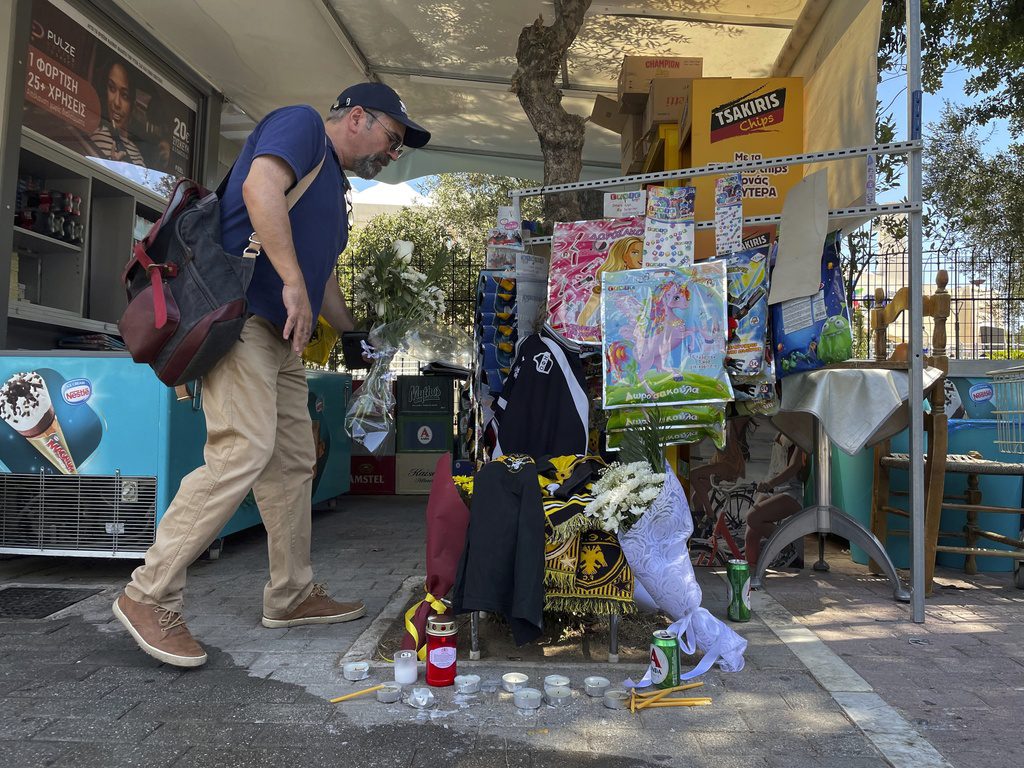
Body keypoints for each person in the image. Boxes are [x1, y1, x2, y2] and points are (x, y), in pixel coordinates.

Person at [112, 82, 430, 668]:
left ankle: (289, 594)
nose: (393, 153)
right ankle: (148, 594)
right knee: (243, 451)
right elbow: (261, 189)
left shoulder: (334, 186)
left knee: (290, 463)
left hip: (281, 337)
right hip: (242, 322)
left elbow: (320, 276)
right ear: (356, 117)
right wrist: (289, 283)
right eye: (392, 138)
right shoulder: (302, 124)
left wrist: (357, 331)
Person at [743, 431, 808, 568]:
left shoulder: (800, 431)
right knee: (750, 534)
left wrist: (770, 483)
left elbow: (794, 467)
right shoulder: (781, 428)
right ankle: (751, 574)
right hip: (773, 488)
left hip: (791, 490)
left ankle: (788, 550)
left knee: (753, 517)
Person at [688, 416, 751, 520]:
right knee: (696, 499)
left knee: (693, 474)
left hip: (728, 464)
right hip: (719, 462)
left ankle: (710, 513)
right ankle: (702, 533)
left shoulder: (731, 421)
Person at [89, 60, 146, 166]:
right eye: (112, 88)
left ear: (131, 105)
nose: (117, 102)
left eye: (125, 95)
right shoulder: (96, 137)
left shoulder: (137, 154)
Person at [576, 236, 643, 325]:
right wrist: (589, 336)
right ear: (623, 255)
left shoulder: (647, 282)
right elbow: (583, 318)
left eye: (644, 252)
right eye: (634, 253)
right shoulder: (609, 282)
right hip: (611, 332)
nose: (641, 257)